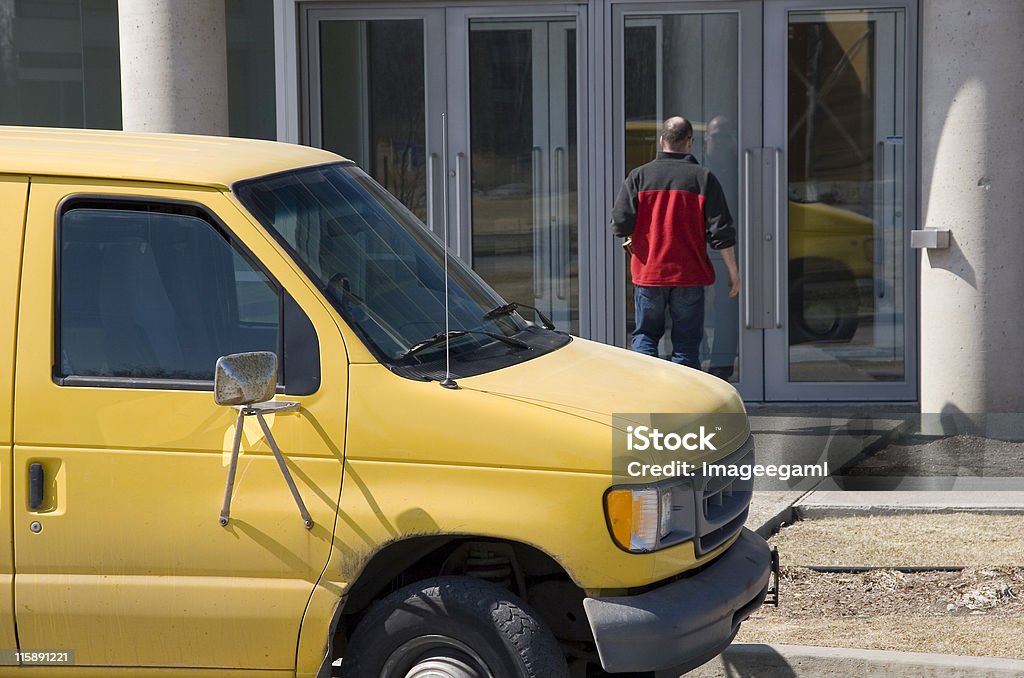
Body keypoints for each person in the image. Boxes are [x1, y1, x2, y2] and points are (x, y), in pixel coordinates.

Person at [610, 116, 739, 370]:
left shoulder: (639, 176)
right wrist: (733, 271)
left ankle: (646, 399)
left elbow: (619, 224)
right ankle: (684, 406)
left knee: (645, 336)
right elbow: (721, 231)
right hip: (688, 275)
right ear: (690, 142)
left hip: (649, 274)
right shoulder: (703, 178)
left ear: (662, 141)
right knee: (687, 344)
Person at [703, 115, 740, 380]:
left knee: (726, 310)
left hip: (728, 249)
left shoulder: (741, 169)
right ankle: (696, 355)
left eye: (725, 137)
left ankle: (721, 364)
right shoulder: (699, 169)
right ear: (705, 140)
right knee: (691, 307)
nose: (720, 142)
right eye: (715, 137)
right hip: (697, 250)